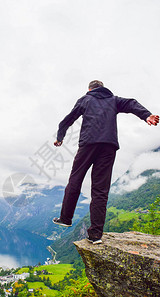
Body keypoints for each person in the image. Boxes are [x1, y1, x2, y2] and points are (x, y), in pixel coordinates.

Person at [52, 80, 159, 244]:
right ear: (102, 87)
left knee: (75, 179)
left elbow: (67, 120)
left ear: (90, 89)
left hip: (88, 144)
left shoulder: (85, 100)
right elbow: (132, 103)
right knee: (100, 190)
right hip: (108, 146)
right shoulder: (114, 100)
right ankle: (95, 235)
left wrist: (60, 137)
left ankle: (66, 218)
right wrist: (146, 115)